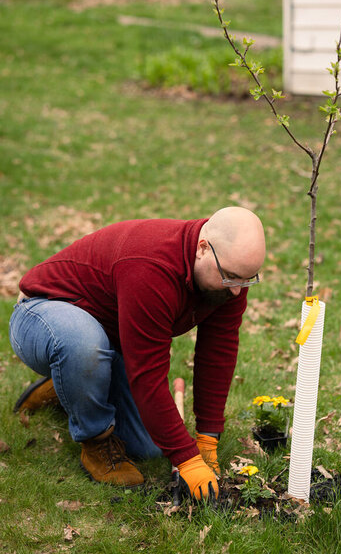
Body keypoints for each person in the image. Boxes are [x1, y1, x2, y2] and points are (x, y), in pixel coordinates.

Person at [9, 206, 266, 500]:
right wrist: (187, 458)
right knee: (82, 344)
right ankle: (95, 441)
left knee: (148, 447)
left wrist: (207, 437)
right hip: (41, 314)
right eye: (231, 277)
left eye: (247, 279)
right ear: (203, 249)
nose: (237, 291)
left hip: (112, 338)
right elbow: (148, 374)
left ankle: (69, 385)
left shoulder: (230, 276)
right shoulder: (151, 267)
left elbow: (217, 352)